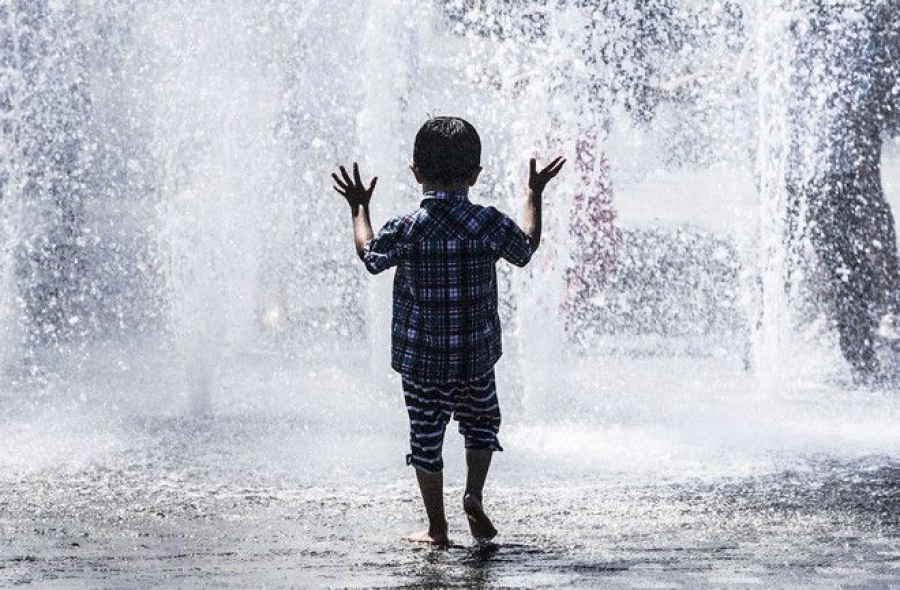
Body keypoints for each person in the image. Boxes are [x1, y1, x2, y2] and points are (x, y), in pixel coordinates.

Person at [332, 117, 564, 546]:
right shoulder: (487, 222)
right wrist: (534, 193)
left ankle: (437, 527)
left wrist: (358, 207)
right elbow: (527, 247)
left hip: (422, 365)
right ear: (475, 175)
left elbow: (370, 255)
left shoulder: (408, 228)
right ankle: (473, 494)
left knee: (426, 439)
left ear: (416, 173)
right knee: (481, 426)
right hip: (475, 360)